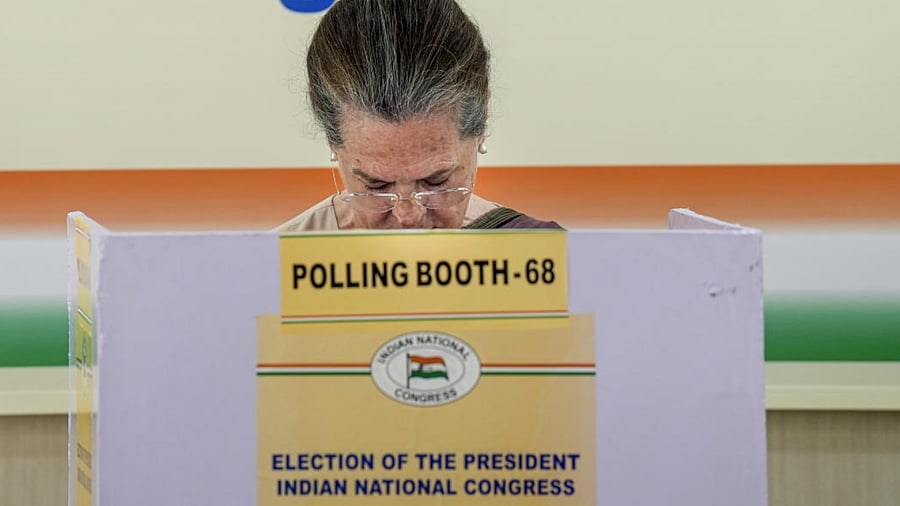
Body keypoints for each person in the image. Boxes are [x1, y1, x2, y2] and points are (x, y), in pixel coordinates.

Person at [278, 0, 561, 231]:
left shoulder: (545, 259)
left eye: (436, 182)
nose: (408, 217)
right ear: (332, 140)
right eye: (376, 186)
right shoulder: (272, 271)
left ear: (481, 122)